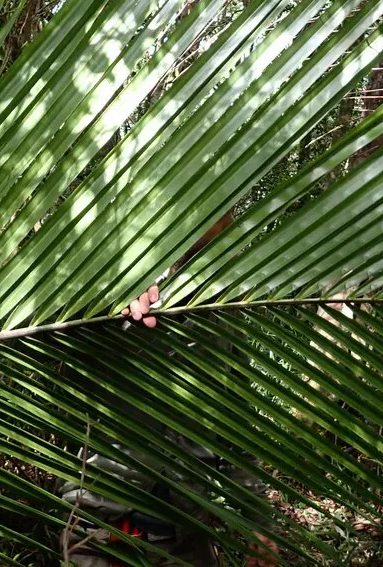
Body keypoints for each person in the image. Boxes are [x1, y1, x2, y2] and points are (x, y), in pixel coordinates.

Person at [58, 211, 281, 566]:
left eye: (207, 250)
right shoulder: (112, 302)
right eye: (186, 250)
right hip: (100, 527)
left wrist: (260, 522)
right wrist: (105, 303)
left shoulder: (226, 319)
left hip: (184, 534)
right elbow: (52, 351)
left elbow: (238, 428)